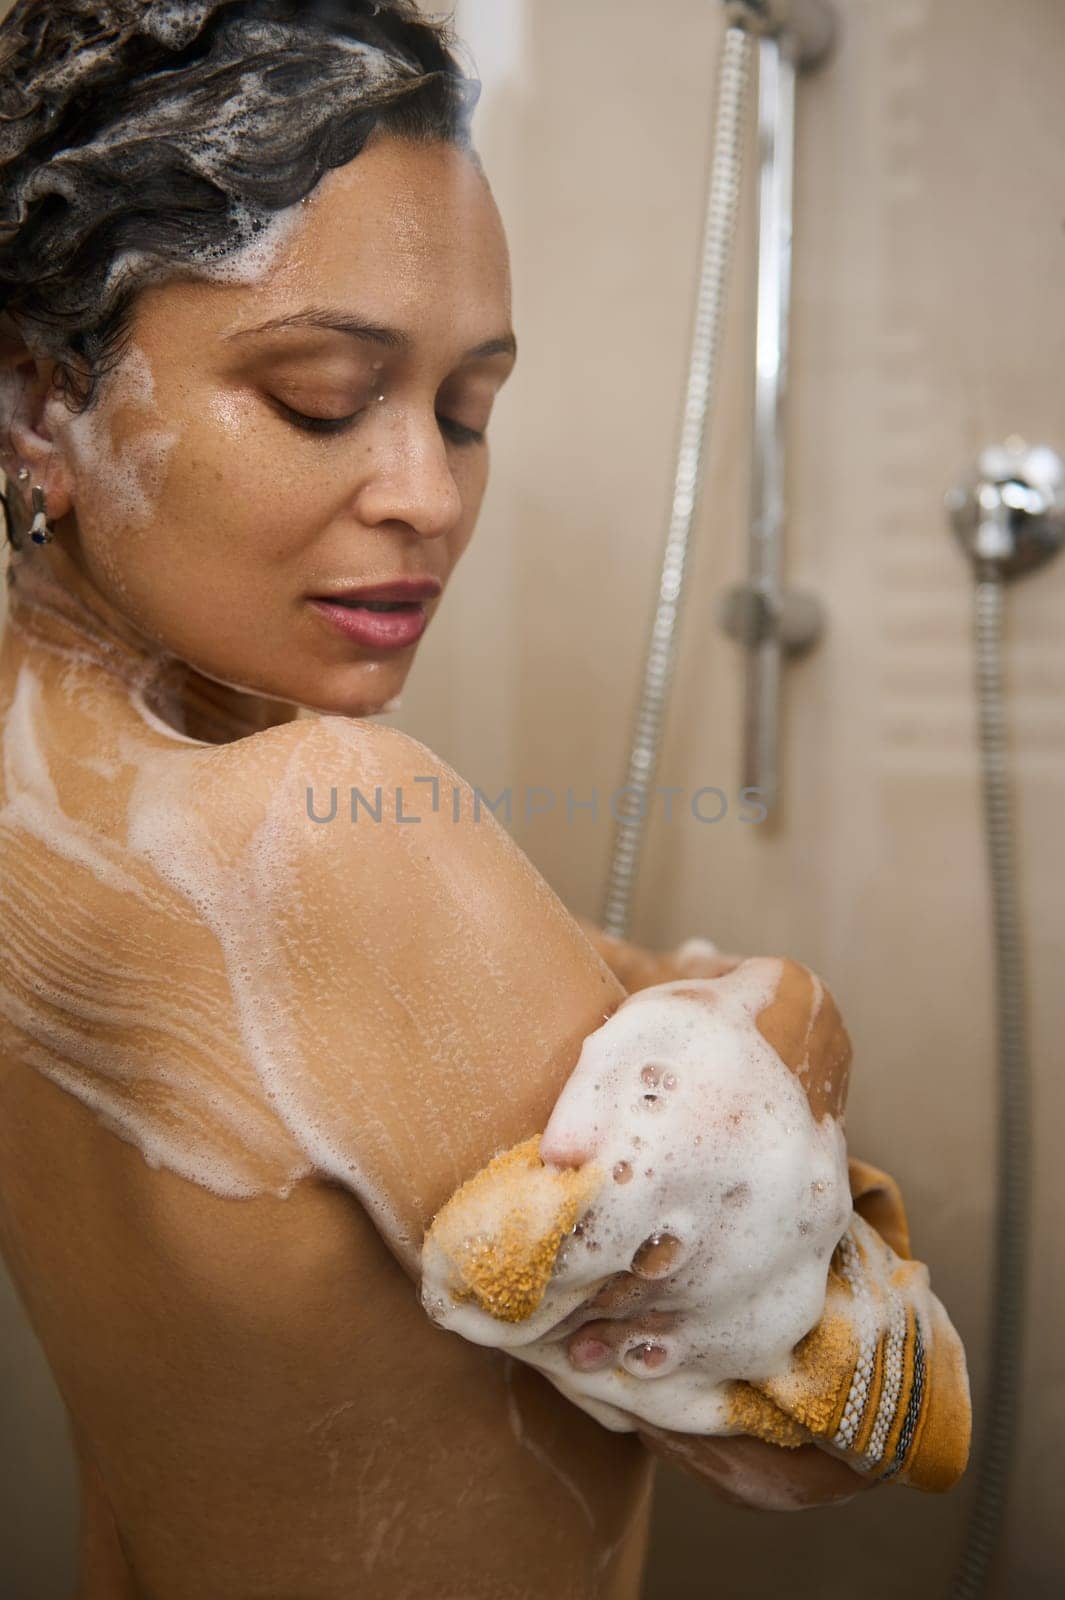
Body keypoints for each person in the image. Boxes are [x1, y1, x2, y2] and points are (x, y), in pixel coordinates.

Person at [0, 4, 967, 1596]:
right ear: (43, 401)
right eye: (320, 397)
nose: (430, 497)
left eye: (468, 410)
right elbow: (838, 1432)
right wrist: (781, 1016)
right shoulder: (323, 828)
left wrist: (669, 1014)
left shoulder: (50, 769)